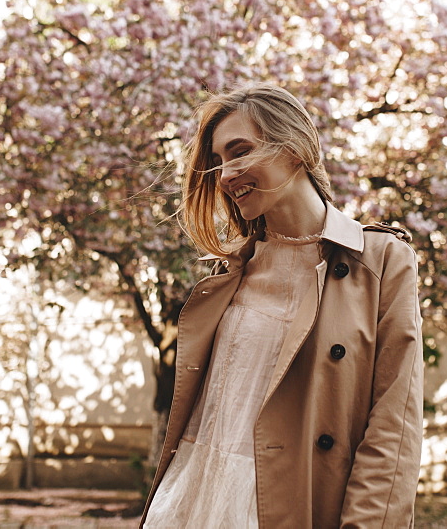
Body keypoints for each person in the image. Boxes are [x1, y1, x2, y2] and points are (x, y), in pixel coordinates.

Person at [140, 84, 423, 528]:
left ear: (294, 148)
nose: (226, 175)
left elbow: (394, 425)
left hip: (293, 506)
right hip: (198, 499)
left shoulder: (381, 261)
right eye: (217, 163)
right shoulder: (229, 272)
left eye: (239, 151)